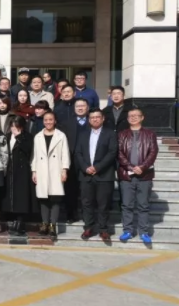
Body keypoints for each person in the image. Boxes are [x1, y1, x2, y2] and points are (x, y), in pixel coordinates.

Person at [75, 108, 118, 242]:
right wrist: (85, 167)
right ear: (89, 120)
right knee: (86, 203)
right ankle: (88, 227)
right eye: (92, 117)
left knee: (103, 204)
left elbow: (112, 152)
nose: (95, 119)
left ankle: (103, 229)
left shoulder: (110, 133)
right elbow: (78, 153)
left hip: (104, 175)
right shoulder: (83, 134)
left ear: (103, 118)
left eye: (97, 117)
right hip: (86, 175)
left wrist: (97, 167)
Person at [118, 108, 158, 244]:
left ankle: (144, 232)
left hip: (144, 175)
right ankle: (127, 231)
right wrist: (130, 167)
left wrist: (142, 167)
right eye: (131, 116)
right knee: (126, 205)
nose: (133, 117)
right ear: (127, 119)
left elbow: (153, 152)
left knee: (143, 205)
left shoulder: (150, 134)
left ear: (142, 117)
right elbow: (119, 153)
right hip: (126, 175)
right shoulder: (122, 134)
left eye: (136, 115)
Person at [31, 111, 70, 240]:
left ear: (55, 121)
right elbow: (35, 155)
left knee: (55, 198)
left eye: (50, 119)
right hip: (41, 170)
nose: (48, 122)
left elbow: (65, 154)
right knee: (43, 199)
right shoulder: (38, 136)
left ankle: (53, 225)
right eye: (46, 120)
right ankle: (44, 224)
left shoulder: (61, 136)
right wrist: (34, 171)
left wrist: (64, 170)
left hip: (55, 170)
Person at [3, 116, 35, 235]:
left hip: (22, 170)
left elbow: (28, 150)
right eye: (12, 126)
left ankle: (20, 223)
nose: (14, 129)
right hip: (10, 169)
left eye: (17, 126)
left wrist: (19, 137)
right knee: (11, 196)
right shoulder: (7, 137)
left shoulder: (28, 137)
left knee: (22, 197)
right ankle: (15, 221)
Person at [61, 97, 90, 223]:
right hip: (71, 160)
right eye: (77, 106)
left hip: (88, 160)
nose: (80, 108)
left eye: (82, 106)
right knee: (71, 189)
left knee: (87, 190)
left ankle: (87, 215)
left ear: (87, 108)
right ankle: (71, 214)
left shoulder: (93, 121)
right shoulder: (67, 123)